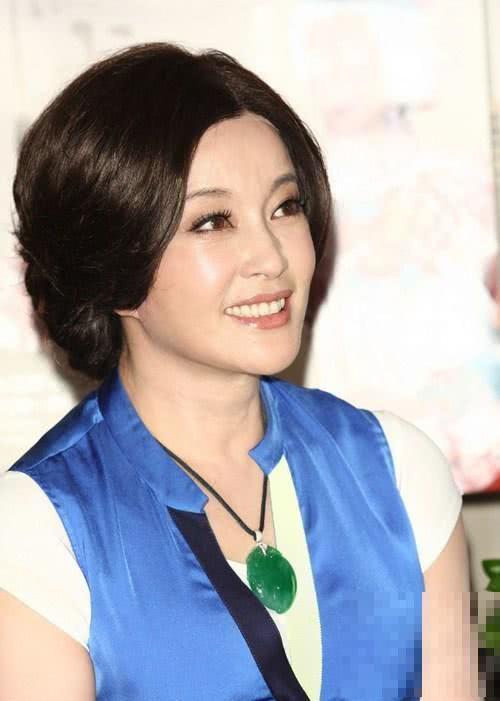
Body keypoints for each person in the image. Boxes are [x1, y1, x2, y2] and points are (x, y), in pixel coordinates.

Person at [0, 43, 474, 700]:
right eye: (212, 221)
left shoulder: (396, 471)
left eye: (285, 206)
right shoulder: (40, 530)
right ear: (114, 264)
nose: (272, 256)